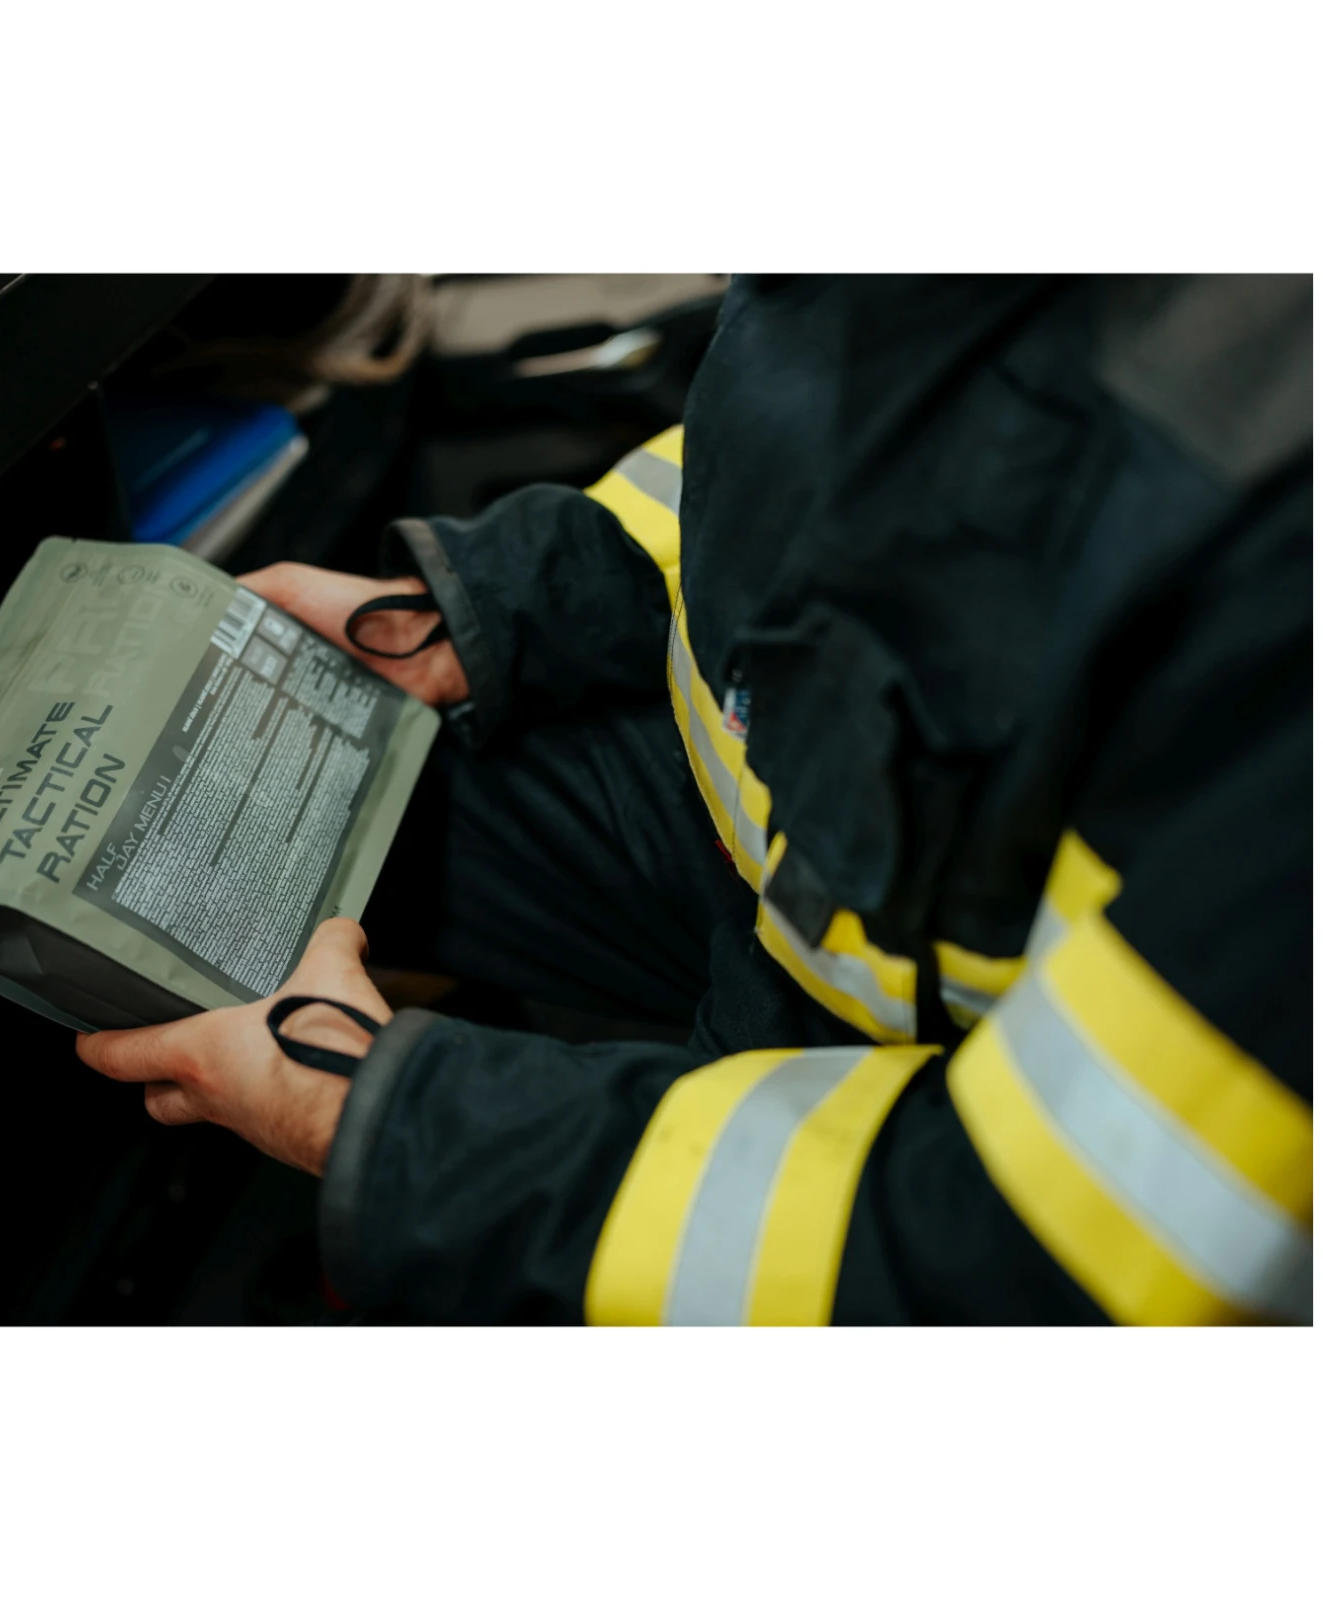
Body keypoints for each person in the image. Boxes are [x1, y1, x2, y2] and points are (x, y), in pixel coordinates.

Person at [76, 274, 1313, 1325]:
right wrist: (513, 597)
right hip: (786, 854)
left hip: (941, 1131)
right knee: (235, 805)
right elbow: (795, 441)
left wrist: (386, 1130)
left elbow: (1013, 1271)